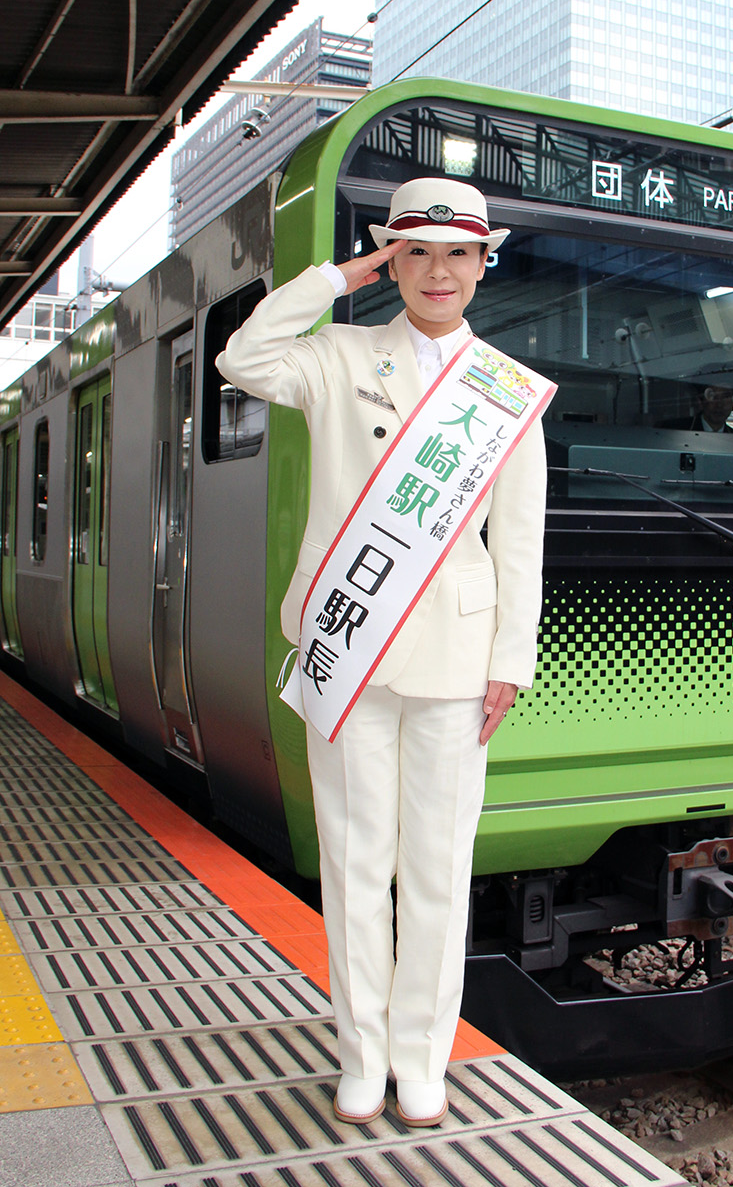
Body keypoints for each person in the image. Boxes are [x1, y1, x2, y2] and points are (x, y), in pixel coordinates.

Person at [216, 178, 547, 1130]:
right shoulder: (337, 355)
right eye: (415, 252)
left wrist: (510, 659)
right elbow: (244, 359)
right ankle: (361, 1058)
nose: (438, 272)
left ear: (486, 265)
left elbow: (519, 539)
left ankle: (423, 1060)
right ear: (390, 259)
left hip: (455, 655)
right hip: (350, 652)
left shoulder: (508, 393)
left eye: (459, 254)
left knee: (439, 868)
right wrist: (333, 276)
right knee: (357, 865)